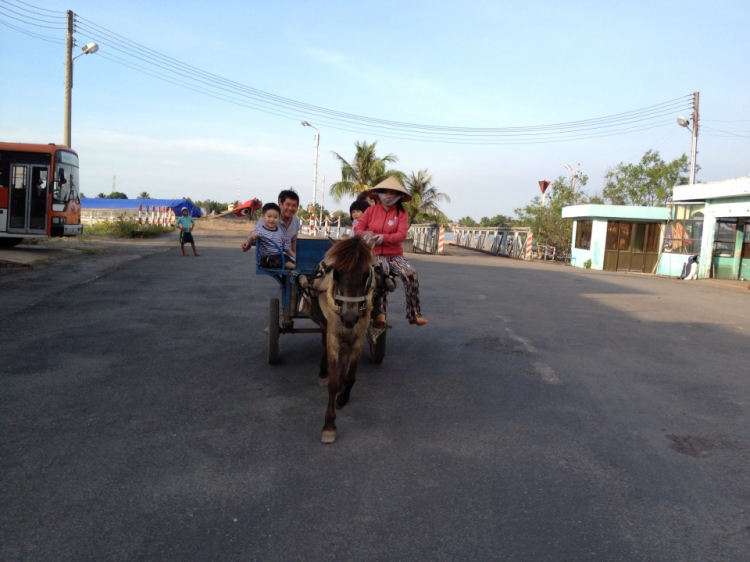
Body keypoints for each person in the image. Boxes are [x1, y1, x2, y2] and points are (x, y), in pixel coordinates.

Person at [354, 177, 428, 327]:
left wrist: (384, 238)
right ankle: (381, 314)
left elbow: (402, 234)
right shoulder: (371, 210)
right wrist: (365, 234)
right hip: (375, 254)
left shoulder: (401, 213)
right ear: (379, 194)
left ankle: (414, 315)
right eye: (385, 192)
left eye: (392, 193)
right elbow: (358, 227)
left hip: (395, 254)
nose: (388, 196)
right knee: (382, 274)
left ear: (398, 196)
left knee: (411, 274)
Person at [243, 203, 295, 269]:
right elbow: (250, 242)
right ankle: (295, 268)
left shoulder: (279, 231)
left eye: (275, 217)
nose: (272, 219)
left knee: (290, 259)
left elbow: (284, 245)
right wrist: (251, 237)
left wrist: (293, 255)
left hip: (280, 256)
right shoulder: (260, 231)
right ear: (263, 217)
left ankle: (300, 271)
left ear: (279, 218)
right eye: (269, 216)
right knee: (279, 261)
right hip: (267, 259)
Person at [256, 189, 301, 258]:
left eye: (294, 205)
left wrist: (296, 258)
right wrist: (248, 243)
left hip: (289, 257)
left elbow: (293, 242)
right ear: (280, 202)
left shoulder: (296, 221)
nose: (290, 208)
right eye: (288, 204)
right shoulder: (267, 219)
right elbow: (255, 236)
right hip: (270, 258)